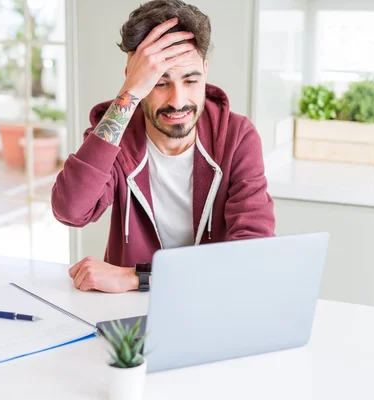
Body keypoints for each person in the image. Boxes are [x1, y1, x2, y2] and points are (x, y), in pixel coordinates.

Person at [51, 0, 275, 293]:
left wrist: (137, 278)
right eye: (159, 82)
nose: (178, 100)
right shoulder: (117, 135)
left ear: (205, 71)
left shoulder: (236, 137)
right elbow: (71, 210)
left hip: (213, 299)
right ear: (134, 76)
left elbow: (252, 255)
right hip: (130, 313)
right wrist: (128, 95)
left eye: (191, 80)